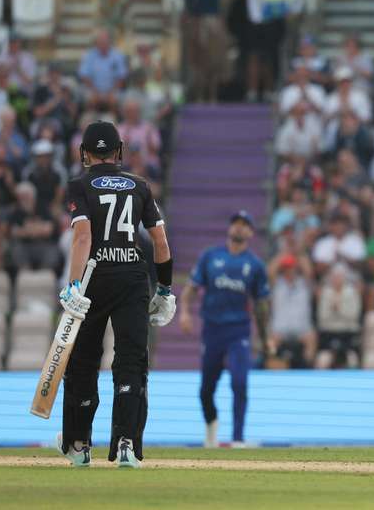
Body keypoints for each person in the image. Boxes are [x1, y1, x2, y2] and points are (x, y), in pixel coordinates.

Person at [57, 121, 175, 468]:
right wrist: (165, 290)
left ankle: (79, 446)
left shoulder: (78, 185)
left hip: (95, 279)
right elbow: (161, 243)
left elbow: (82, 239)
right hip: (132, 280)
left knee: (83, 363)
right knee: (131, 362)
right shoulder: (140, 186)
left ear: (85, 153)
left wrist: (74, 286)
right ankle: (126, 443)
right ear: (119, 152)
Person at [178, 211, 271, 448]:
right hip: (212, 330)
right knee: (206, 389)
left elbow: (261, 305)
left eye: (244, 225)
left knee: (240, 382)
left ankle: (238, 438)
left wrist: (265, 337)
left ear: (250, 232)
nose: (239, 228)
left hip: (238, 331)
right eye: (235, 224)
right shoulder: (211, 256)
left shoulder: (255, 265)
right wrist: (185, 312)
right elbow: (191, 287)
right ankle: (212, 428)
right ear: (230, 229)